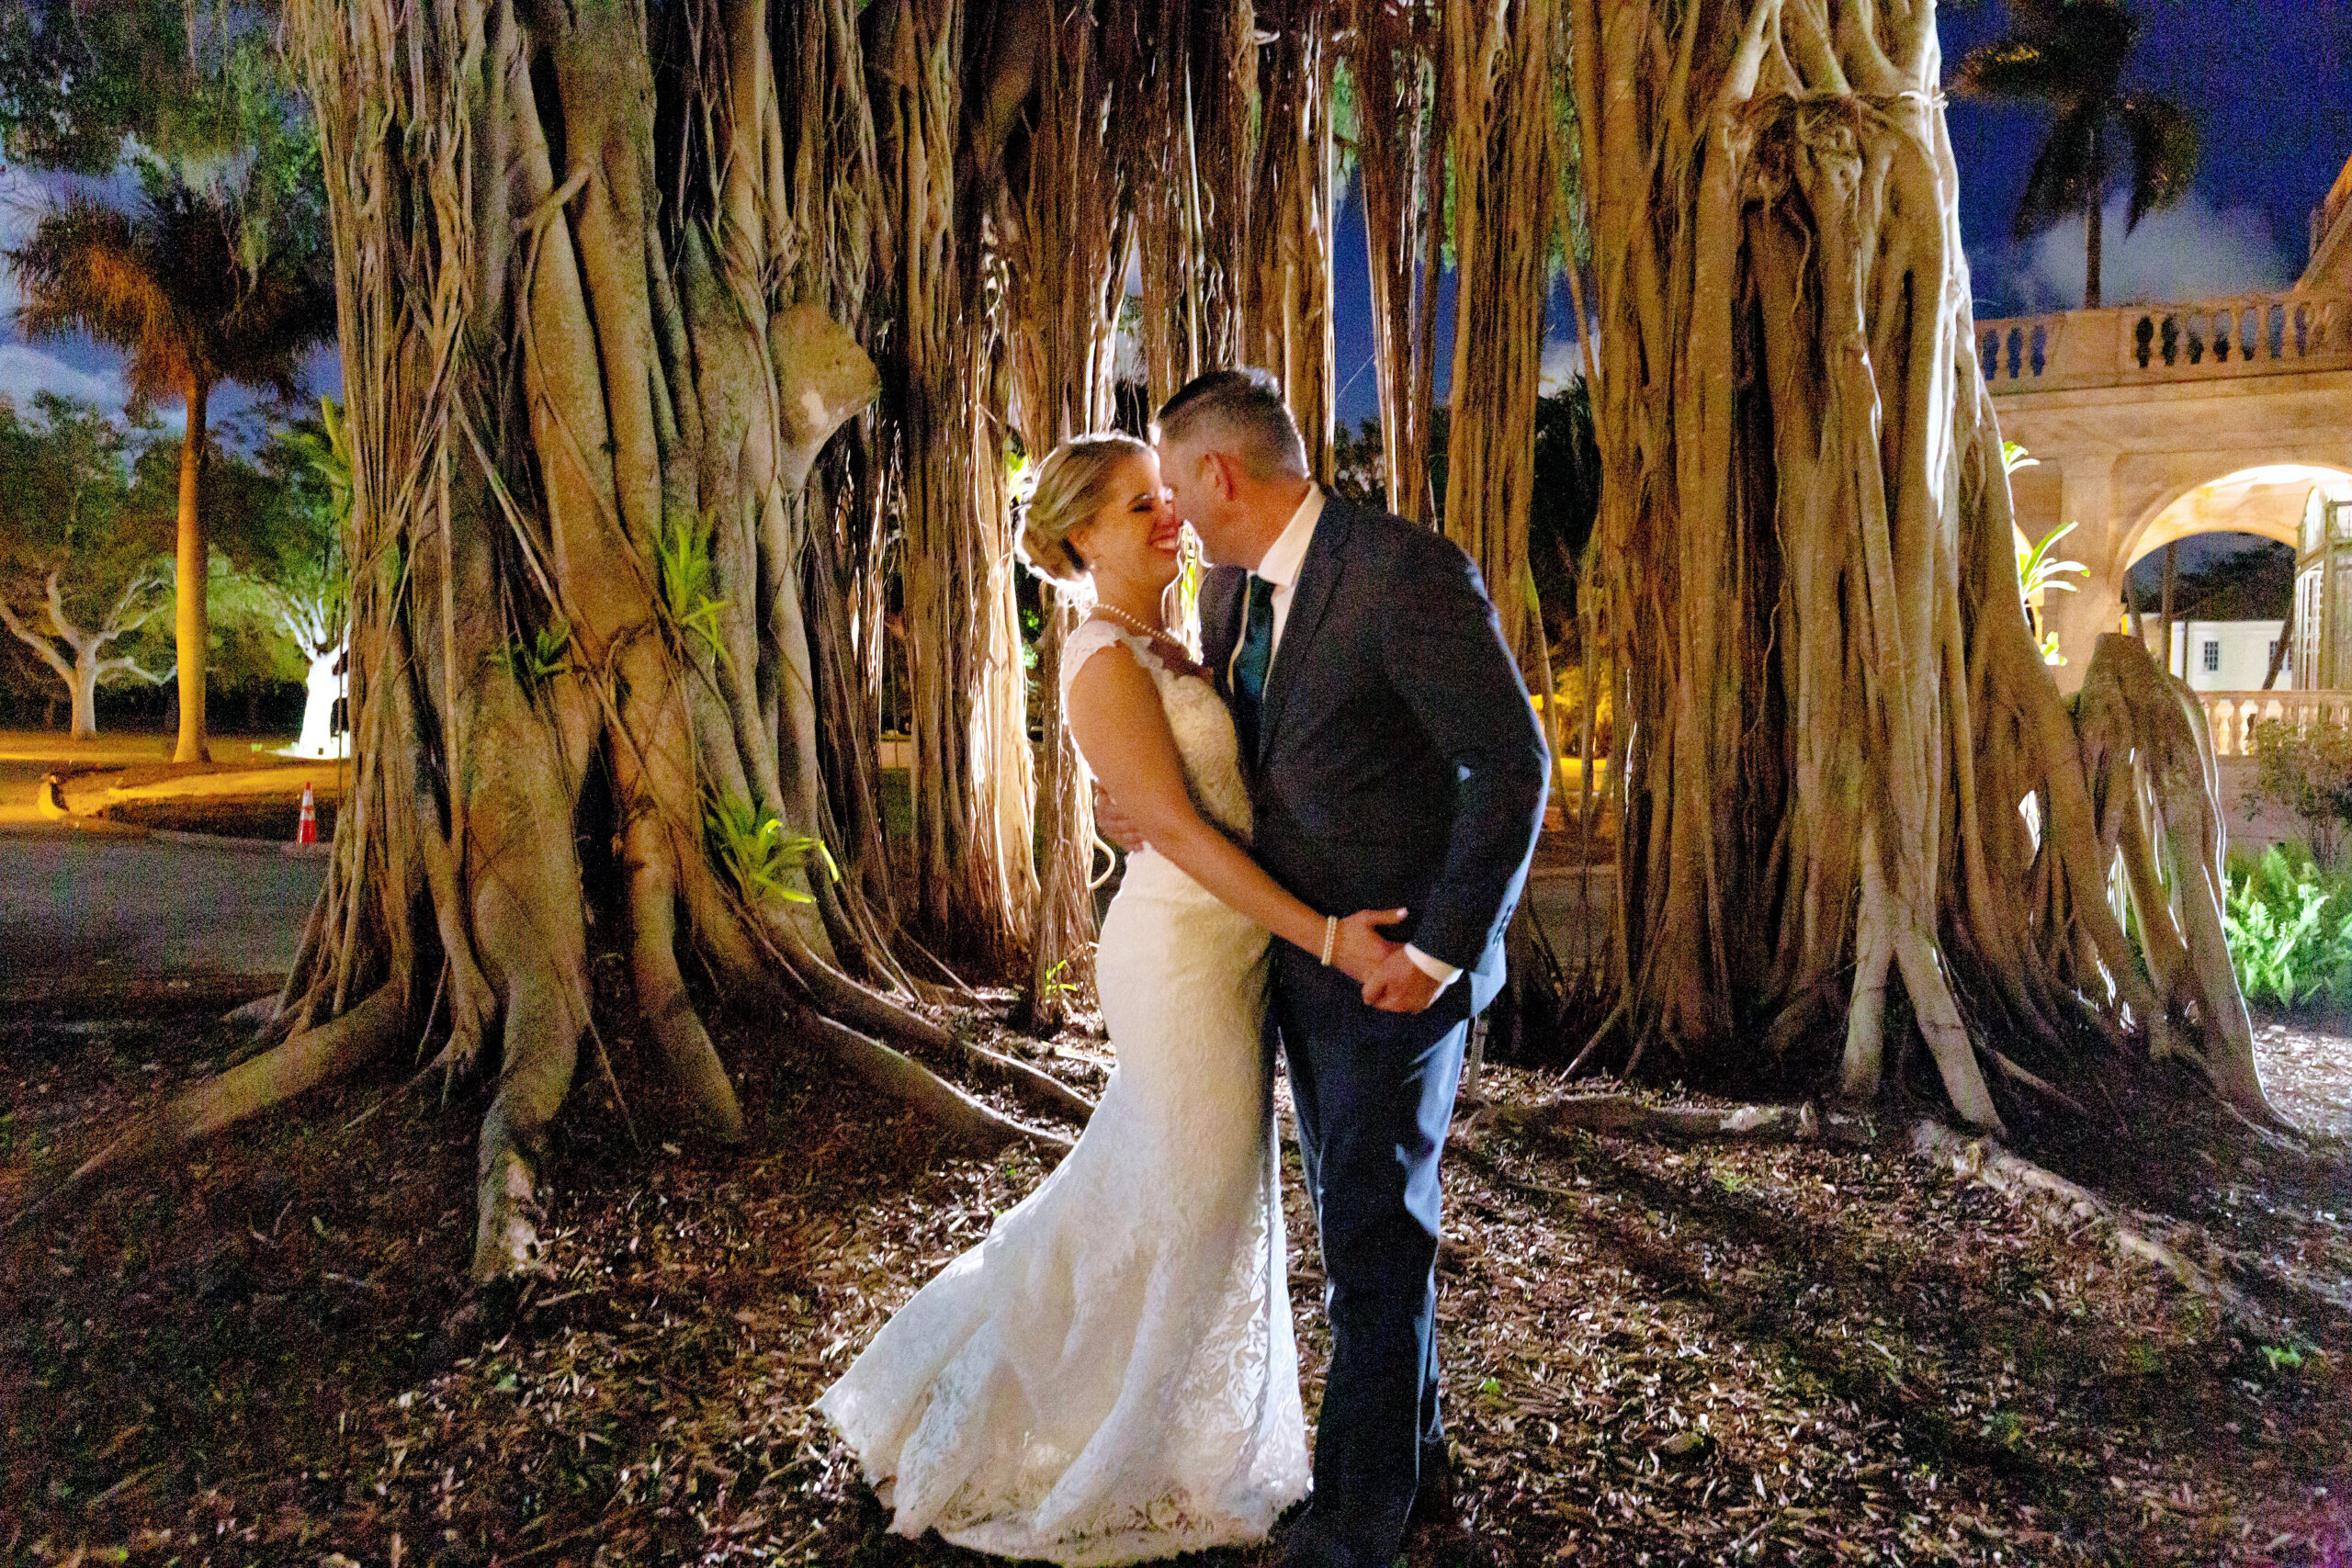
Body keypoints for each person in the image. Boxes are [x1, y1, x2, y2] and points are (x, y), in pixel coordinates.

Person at [815, 431, 1407, 1564]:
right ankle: (1087, 1433)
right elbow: (1178, 835)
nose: (1167, 517)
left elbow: (1184, 797)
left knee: (1190, 1193)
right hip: (1181, 958)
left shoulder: (1179, 633)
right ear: (1081, 534)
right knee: (1184, 1191)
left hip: (1230, 951)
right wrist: (1330, 937)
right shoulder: (1098, 656)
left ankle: (1163, 1426)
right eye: (1140, 506)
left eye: (1164, 497)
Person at [1106, 370, 1548, 1567]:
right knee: (1365, 1220)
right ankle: (1419, 1453)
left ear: (1223, 476)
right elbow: (1262, 764)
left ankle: (1357, 1521)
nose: (1174, 515)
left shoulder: (1403, 573)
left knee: (1368, 1235)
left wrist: (1439, 948)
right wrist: (1163, 799)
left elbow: (1509, 764)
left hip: (1394, 971)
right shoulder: (1237, 591)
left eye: (1176, 486)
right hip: (1299, 959)